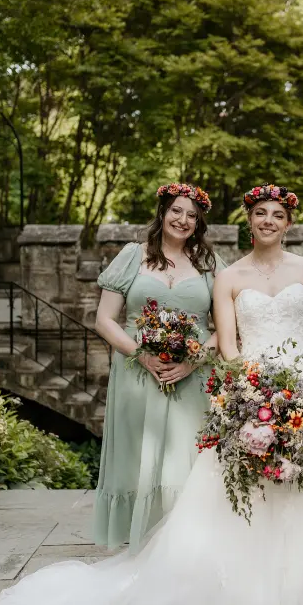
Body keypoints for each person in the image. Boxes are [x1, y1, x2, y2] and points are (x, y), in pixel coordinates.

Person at [0, 183, 303, 605]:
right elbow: (227, 341)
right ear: (248, 221)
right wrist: (250, 388)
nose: (268, 221)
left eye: (278, 215)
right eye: (260, 213)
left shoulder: (283, 268)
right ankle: (230, 581)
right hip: (248, 384)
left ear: (288, 223)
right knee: (242, 482)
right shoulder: (227, 275)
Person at [92, 181, 222, 550]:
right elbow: (104, 320)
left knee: (187, 460)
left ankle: (183, 550)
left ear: (199, 224)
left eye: (192, 216)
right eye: (176, 211)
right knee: (139, 457)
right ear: (163, 212)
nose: (183, 220)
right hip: (137, 375)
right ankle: (139, 547)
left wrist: (194, 361)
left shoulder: (209, 264)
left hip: (192, 379)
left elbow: (231, 327)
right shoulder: (133, 255)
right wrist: (141, 355)